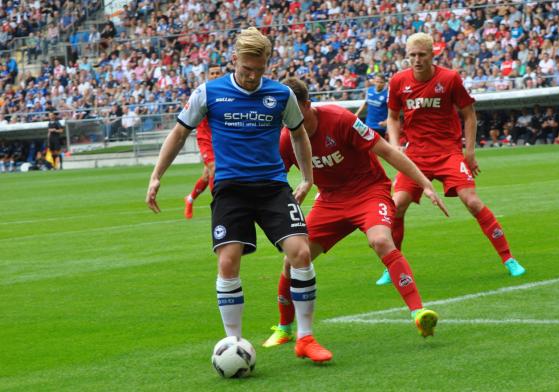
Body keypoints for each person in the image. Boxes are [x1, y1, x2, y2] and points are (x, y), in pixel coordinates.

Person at [146, 27, 332, 363]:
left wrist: (307, 177)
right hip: (231, 189)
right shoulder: (209, 92)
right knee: (228, 262)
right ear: (234, 59)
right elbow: (178, 133)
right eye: (246, 69)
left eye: (258, 70)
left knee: (300, 253)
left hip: (273, 187)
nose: (251, 76)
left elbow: (299, 135)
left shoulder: (280, 95)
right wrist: (156, 176)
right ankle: (233, 344)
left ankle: (305, 337)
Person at [262, 77, 449, 348]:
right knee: (294, 259)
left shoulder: (340, 119)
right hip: (329, 201)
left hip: (369, 192)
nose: (287, 117)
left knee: (381, 241)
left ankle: (419, 313)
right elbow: (275, 180)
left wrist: (425, 183)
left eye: (292, 109)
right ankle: (284, 327)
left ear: (307, 104)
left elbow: (386, 151)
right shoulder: (286, 138)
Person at [376, 33, 525, 286]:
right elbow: (392, 117)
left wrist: (469, 151)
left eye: (421, 54)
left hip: (448, 153)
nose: (416, 60)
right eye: (412, 55)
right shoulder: (398, 81)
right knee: (397, 205)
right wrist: (394, 145)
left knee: (472, 202)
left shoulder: (450, 78)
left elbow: (469, 115)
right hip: (416, 156)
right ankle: (392, 266)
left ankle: (508, 258)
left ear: (433, 54)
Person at [183, 65, 223, 219]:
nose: (215, 75)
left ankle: (190, 198)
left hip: (220, 139)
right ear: (208, 75)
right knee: (214, 168)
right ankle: (219, 204)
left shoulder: (228, 92)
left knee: (207, 176)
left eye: (217, 73)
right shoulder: (202, 92)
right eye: (212, 73)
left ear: (221, 74)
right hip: (205, 139)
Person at [355, 73, 389, 138]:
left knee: (378, 147)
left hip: (380, 126)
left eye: (381, 82)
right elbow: (365, 103)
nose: (378, 84)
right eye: (377, 81)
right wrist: (357, 113)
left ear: (384, 83)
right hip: (368, 124)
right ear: (374, 81)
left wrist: (386, 121)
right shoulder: (369, 90)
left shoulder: (387, 94)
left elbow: (391, 110)